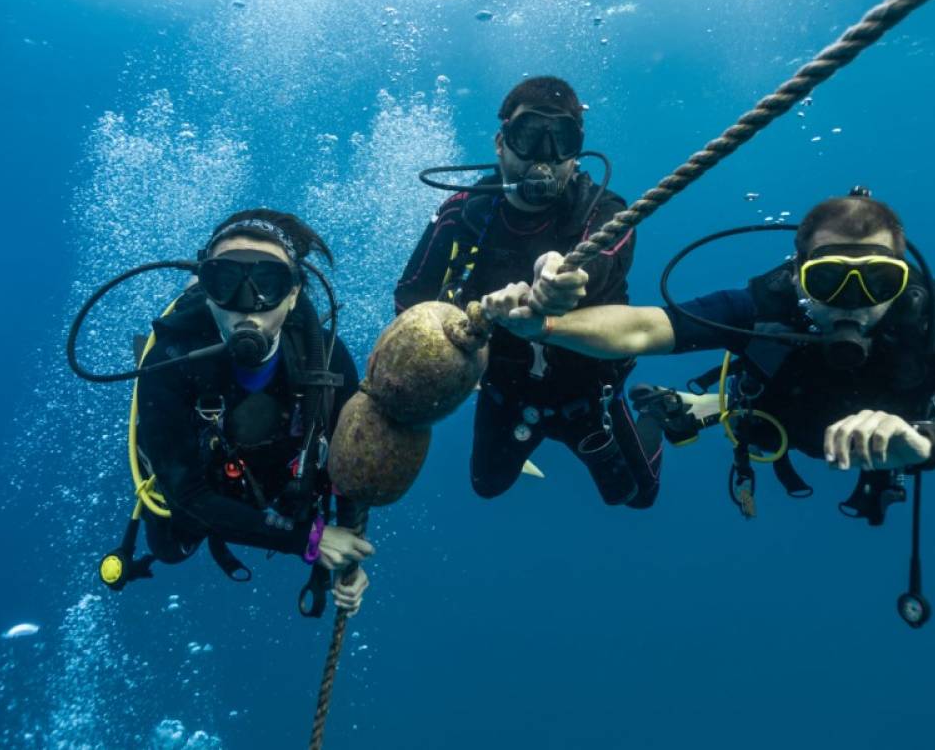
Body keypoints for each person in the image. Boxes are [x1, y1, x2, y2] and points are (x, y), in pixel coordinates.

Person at [481, 189, 935, 515]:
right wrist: (547, 325)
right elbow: (641, 328)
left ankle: (699, 406)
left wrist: (926, 445)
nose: (853, 305)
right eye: (831, 280)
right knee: (740, 405)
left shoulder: (932, 327)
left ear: (903, 281)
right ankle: (704, 407)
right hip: (771, 420)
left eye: (877, 282)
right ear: (800, 276)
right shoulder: (765, 309)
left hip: (880, 444)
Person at [394, 76, 662, 507]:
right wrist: (465, 331)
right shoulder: (461, 213)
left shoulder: (605, 211)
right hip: (506, 390)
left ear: (576, 153)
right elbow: (408, 298)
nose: (545, 157)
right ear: (501, 142)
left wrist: (563, 278)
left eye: (562, 140)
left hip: (589, 395)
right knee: (487, 486)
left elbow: (604, 257)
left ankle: (656, 414)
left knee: (639, 495)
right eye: (529, 136)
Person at [132, 209, 374, 614]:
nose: (247, 307)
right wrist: (308, 540)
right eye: (225, 283)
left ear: (294, 293)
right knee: (170, 547)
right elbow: (187, 493)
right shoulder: (169, 360)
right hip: (203, 485)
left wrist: (348, 553)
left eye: (267, 283)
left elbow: (349, 462)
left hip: (281, 481)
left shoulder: (327, 359)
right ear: (207, 292)